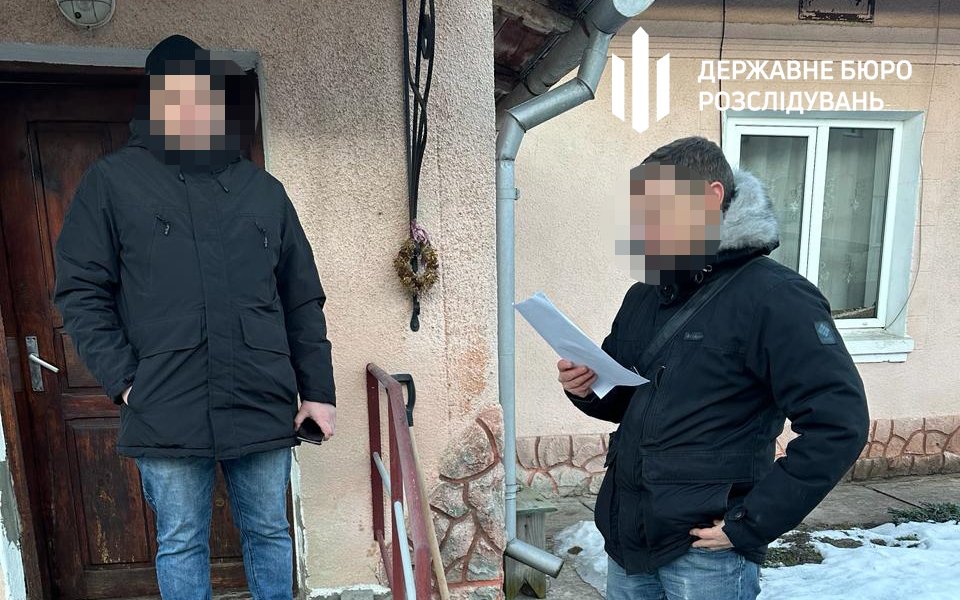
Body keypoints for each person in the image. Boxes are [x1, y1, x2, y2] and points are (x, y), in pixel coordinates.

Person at [53, 34, 336, 600]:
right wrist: (126, 380)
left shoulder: (262, 190)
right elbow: (80, 291)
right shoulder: (112, 183)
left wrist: (318, 392)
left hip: (260, 396)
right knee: (181, 542)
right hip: (166, 402)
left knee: (270, 532)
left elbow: (301, 298)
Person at [557, 136, 869, 600]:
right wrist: (585, 386)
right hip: (629, 539)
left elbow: (840, 424)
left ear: (710, 198)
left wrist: (751, 522)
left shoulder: (776, 297)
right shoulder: (647, 293)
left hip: (707, 552)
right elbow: (626, 397)